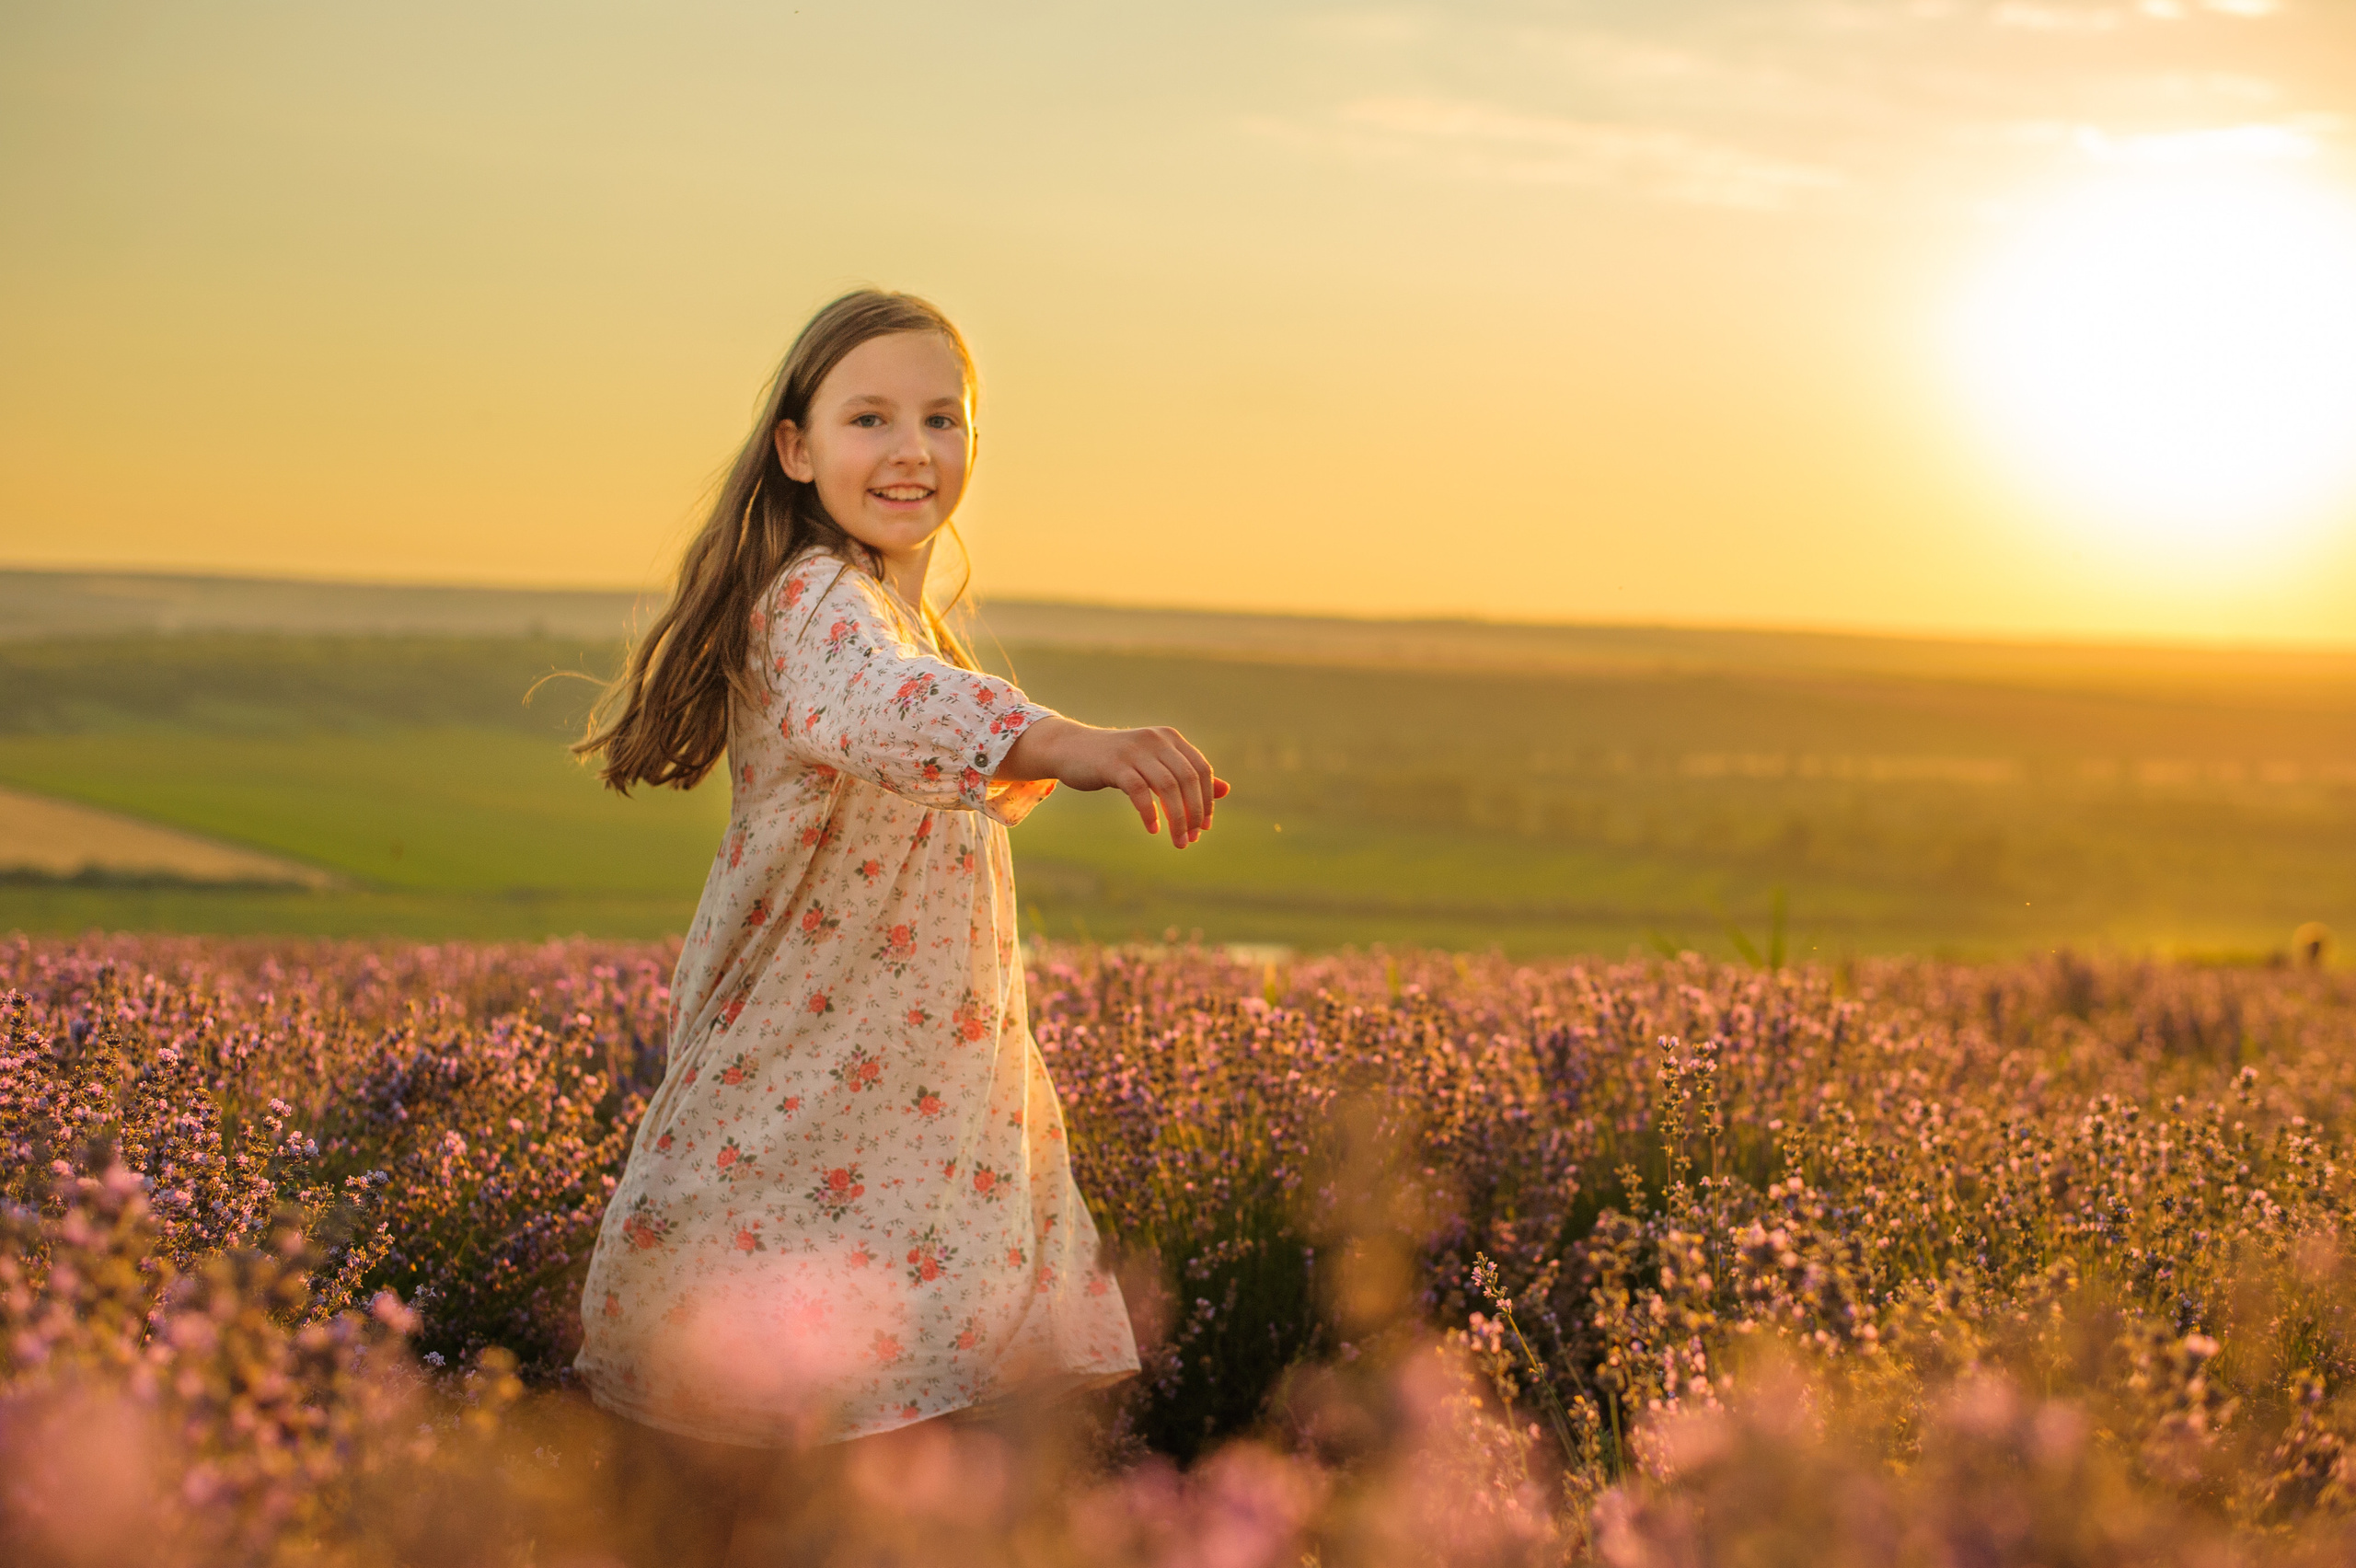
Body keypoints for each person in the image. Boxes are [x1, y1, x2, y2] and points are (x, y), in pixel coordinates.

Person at [570, 289, 1225, 1559]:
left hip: (915, 1189)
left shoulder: (898, 616)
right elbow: (883, 705)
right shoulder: (815, 608)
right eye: (869, 417)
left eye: (942, 417)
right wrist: (1075, 742)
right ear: (797, 448)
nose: (911, 449)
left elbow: (914, 687)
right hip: (797, 1180)